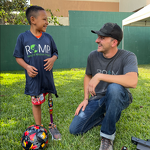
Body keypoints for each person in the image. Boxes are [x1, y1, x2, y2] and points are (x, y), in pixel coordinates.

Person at [69, 22, 138, 150]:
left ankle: (107, 137)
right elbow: (88, 76)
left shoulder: (128, 56)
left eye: (102, 38)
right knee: (75, 129)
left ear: (114, 42)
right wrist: (85, 98)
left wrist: (100, 76)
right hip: (98, 98)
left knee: (114, 88)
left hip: (119, 96)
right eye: (98, 37)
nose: (97, 40)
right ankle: (107, 116)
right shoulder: (93, 56)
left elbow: (133, 81)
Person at [13, 5, 61, 140]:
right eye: (44, 19)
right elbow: (18, 56)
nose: (47, 22)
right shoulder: (23, 37)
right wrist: (27, 67)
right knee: (37, 102)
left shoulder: (48, 38)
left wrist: (53, 59)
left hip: (47, 77)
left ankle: (51, 124)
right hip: (34, 79)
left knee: (49, 98)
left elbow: (55, 52)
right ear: (33, 20)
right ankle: (38, 127)